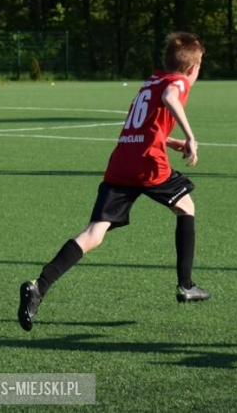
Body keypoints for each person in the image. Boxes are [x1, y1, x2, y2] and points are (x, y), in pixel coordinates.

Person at [18, 32, 211, 332]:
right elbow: (172, 97)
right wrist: (190, 137)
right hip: (147, 165)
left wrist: (170, 141)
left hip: (121, 161)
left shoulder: (152, 80)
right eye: (200, 67)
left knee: (94, 232)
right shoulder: (178, 82)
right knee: (186, 206)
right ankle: (185, 285)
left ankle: (39, 286)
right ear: (191, 68)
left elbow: (145, 122)